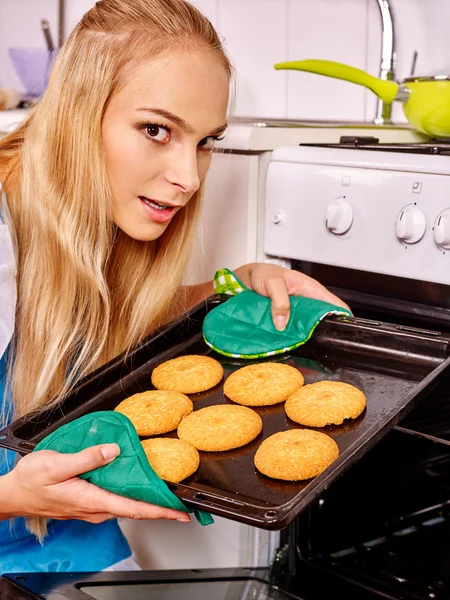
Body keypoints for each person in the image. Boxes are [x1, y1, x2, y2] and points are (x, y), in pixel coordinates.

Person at [0, 0, 349, 573]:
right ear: (77, 113)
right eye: (156, 130)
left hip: (66, 547)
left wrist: (230, 291)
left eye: (206, 141)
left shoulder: (82, 209)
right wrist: (11, 495)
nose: (188, 177)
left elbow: (105, 318)